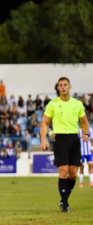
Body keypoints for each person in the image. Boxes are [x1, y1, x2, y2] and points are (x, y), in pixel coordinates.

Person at [40, 77, 90, 212]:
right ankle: (66, 205)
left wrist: (87, 134)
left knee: (73, 173)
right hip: (60, 139)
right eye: (60, 85)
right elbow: (44, 123)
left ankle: (64, 200)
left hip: (74, 139)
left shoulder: (77, 104)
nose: (63, 87)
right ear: (58, 88)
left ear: (70, 87)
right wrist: (43, 140)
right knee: (63, 172)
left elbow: (84, 121)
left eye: (65, 85)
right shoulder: (53, 104)